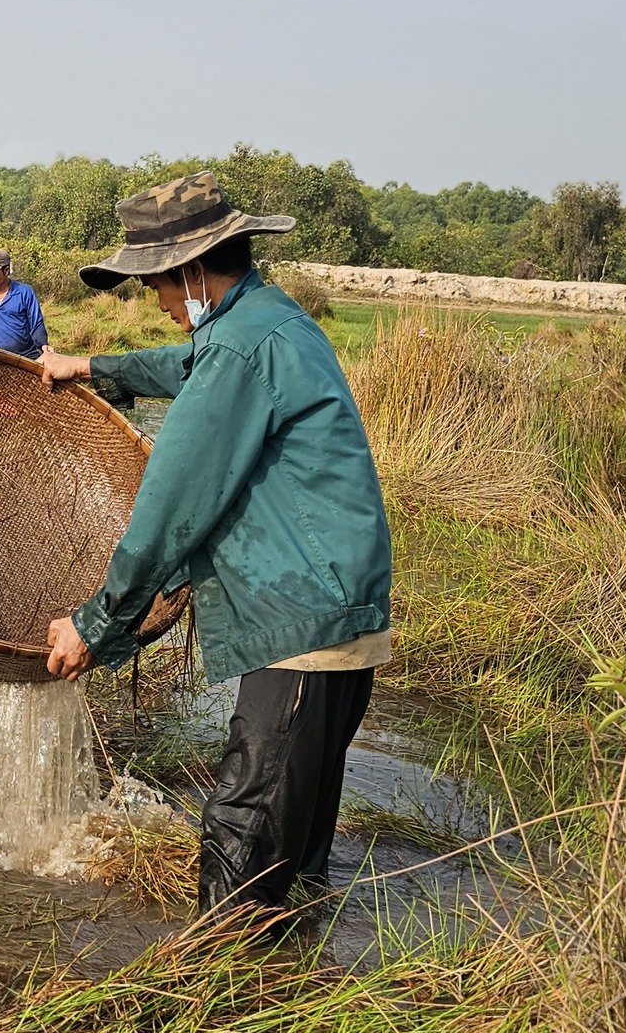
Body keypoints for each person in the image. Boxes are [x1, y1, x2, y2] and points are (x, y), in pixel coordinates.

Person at [32, 171, 393, 919]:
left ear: (192, 269)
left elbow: (169, 511)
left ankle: (215, 1006)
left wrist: (97, 622)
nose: (159, 301)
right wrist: (94, 369)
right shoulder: (267, 320)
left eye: (158, 284)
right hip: (340, 622)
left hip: (303, 625)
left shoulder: (236, 349)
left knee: (243, 848)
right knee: (295, 859)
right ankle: (295, 1000)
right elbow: (188, 365)